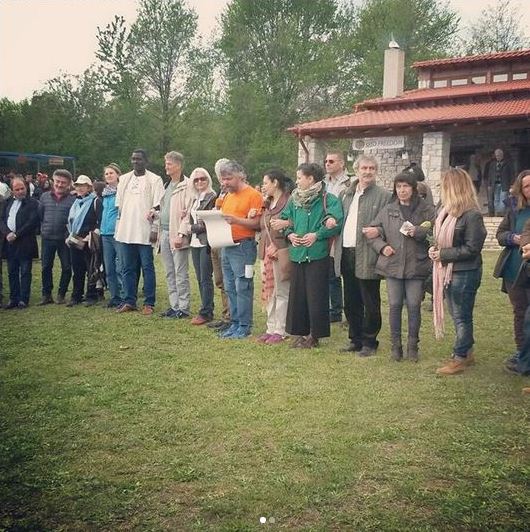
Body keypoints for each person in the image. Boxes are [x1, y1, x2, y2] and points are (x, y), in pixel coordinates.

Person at [272, 163, 342, 348]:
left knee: (316, 295)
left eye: (299, 177)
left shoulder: (328, 199)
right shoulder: (294, 200)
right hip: (297, 254)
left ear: (310, 179)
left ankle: (314, 335)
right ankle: (299, 333)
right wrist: (290, 234)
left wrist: (317, 235)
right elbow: (285, 221)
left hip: (317, 254)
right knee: (298, 295)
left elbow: (336, 222)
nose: (296, 181)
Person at [368, 172, 435, 361]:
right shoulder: (388, 209)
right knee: (395, 305)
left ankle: (413, 346)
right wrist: (382, 247)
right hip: (393, 265)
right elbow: (373, 233)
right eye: (398, 187)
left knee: (414, 306)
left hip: (417, 265)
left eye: (406, 186)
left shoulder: (426, 209)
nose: (402, 190)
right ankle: (395, 347)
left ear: (413, 189)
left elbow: (435, 231)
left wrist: (418, 231)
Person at [430, 168, 487, 375]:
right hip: (449, 270)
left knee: (462, 316)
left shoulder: (471, 215)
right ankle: (467, 351)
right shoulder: (445, 211)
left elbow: (472, 248)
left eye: (444, 185)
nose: (441, 189)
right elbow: (441, 238)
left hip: (465, 271)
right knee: (458, 315)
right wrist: (436, 250)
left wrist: (444, 254)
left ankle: (460, 356)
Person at [334, 155, 392, 356]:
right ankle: (355, 339)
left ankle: (369, 341)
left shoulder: (384, 196)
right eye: (364, 168)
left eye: (372, 168)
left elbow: (390, 224)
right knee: (351, 301)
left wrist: (379, 231)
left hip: (367, 253)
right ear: (356, 170)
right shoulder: (346, 194)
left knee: (370, 301)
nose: (368, 172)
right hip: (346, 252)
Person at [114, 149, 165, 315]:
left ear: (146, 161)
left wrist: (153, 213)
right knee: (127, 267)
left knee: (147, 267)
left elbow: (158, 204)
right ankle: (129, 301)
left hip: (145, 230)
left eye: (139, 159)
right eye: (133, 159)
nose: (136, 161)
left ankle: (149, 303)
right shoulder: (124, 179)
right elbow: (119, 205)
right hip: (126, 230)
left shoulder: (155, 179)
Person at [217, 160, 263, 339]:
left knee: (242, 286)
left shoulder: (253, 195)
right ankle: (234, 322)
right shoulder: (228, 196)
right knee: (229, 286)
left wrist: (236, 220)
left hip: (243, 246)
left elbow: (257, 223)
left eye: (228, 178)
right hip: (226, 245)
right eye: (223, 179)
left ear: (240, 176)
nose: (225, 182)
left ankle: (244, 325)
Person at [494, 170, 530, 366]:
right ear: (521, 189)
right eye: (527, 186)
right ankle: (521, 353)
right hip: (514, 271)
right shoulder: (515, 210)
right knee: (520, 312)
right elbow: (500, 234)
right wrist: (513, 238)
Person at [257, 169, 293, 345]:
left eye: (266, 183)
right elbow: (262, 226)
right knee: (269, 291)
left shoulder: (289, 202)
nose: (263, 186)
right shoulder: (267, 203)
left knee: (282, 291)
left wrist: (286, 223)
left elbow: (297, 223)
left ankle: (281, 329)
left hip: (281, 252)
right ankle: (270, 327)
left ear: (275, 183)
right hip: (265, 253)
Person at [158, 151, 194, 319]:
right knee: (169, 271)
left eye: (169, 164)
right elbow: (165, 208)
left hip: (177, 234)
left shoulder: (187, 185)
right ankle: (174, 305)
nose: (166, 167)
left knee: (180, 272)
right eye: (166, 163)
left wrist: (181, 233)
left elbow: (188, 212)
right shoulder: (167, 185)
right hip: (164, 232)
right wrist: (154, 214)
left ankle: (184, 308)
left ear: (178, 165)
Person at [182, 168, 217, 325]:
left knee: (205, 277)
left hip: (206, 241)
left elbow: (210, 222)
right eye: (196, 180)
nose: (199, 182)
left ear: (208, 179)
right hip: (195, 242)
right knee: (199, 277)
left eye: (203, 178)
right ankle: (206, 308)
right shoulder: (195, 198)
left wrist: (192, 228)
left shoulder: (212, 197)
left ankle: (206, 312)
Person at [0, 177, 39, 308]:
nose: (20, 191)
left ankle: (23, 299)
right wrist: (7, 233)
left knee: (25, 272)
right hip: (10, 243)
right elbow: (2, 220)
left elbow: (32, 222)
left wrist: (16, 234)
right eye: (17, 189)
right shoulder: (7, 203)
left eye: (22, 188)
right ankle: (13, 298)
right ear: (12, 191)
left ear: (26, 188)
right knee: (12, 271)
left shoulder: (33, 203)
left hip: (25, 242)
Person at [38, 169, 76, 305]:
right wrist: (44, 229)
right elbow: (41, 215)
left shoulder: (73, 200)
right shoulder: (44, 197)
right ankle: (46, 295)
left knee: (67, 267)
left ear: (69, 184)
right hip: (47, 237)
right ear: (53, 181)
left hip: (64, 239)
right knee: (45, 267)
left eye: (63, 182)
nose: (59, 185)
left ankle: (61, 294)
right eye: (57, 181)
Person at [65, 175, 101, 307]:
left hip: (88, 240)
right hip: (75, 239)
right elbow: (71, 221)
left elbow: (99, 221)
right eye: (78, 185)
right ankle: (76, 295)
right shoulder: (76, 203)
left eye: (83, 185)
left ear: (89, 187)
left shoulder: (95, 201)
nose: (80, 188)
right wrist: (69, 235)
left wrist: (92, 234)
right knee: (77, 269)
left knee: (91, 268)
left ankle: (92, 295)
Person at [324, 151, 351, 323]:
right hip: (327, 233)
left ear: (341, 163)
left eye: (331, 161)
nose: (327, 164)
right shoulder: (323, 183)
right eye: (326, 161)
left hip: (343, 233)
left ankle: (350, 313)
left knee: (346, 275)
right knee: (330, 274)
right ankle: (334, 311)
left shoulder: (350, 183)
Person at [207, 158, 231, 331]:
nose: (222, 179)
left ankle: (231, 316)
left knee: (229, 280)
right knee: (220, 280)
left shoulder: (235, 193)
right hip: (216, 239)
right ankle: (225, 314)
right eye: (219, 175)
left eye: (225, 175)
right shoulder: (220, 193)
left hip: (228, 239)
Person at [100, 163, 123, 308]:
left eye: (111, 173)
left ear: (118, 175)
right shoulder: (105, 193)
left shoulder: (122, 191)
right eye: (106, 173)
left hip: (118, 233)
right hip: (105, 234)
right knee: (109, 268)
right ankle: (114, 297)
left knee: (120, 267)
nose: (109, 175)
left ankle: (124, 296)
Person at [486, 148, 514, 217]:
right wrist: (489, 184)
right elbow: (490, 174)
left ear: (502, 155)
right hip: (495, 184)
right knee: (496, 198)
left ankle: (502, 213)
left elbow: (511, 174)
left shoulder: (507, 163)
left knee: (503, 198)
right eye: (496, 155)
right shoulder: (493, 164)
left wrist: (512, 184)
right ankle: (498, 212)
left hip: (504, 184)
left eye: (499, 155)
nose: (497, 157)